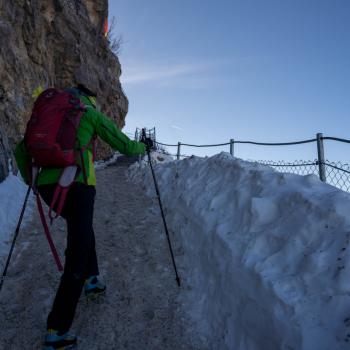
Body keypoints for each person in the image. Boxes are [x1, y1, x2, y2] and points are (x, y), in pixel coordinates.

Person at [15, 84, 153, 349]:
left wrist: (31, 179)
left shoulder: (48, 116)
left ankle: (92, 280)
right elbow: (123, 144)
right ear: (89, 99)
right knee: (77, 251)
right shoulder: (89, 113)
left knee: (82, 229)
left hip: (47, 186)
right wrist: (143, 148)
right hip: (78, 186)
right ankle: (57, 329)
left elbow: (22, 150)